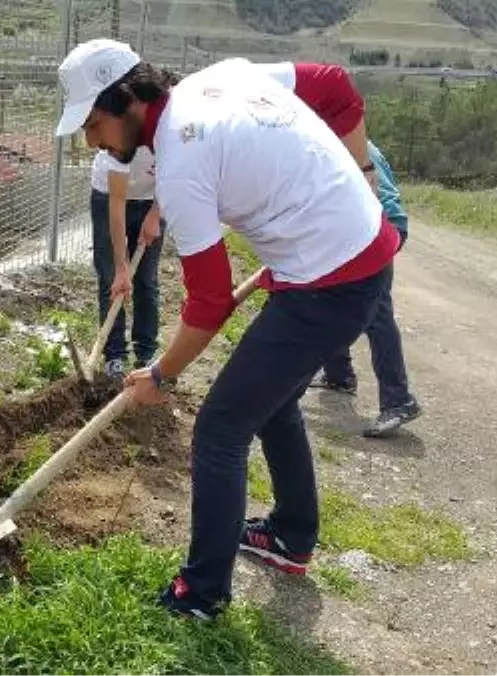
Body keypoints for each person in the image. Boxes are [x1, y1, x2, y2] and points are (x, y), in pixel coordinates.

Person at [55, 40, 400, 619]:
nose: (93, 142)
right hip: (344, 258)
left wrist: (161, 373)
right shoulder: (225, 75)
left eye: (93, 123)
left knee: (219, 430)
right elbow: (335, 84)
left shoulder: (181, 161)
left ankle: (202, 593)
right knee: (271, 403)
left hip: (330, 281)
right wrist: (359, 181)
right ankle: (291, 536)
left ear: (126, 99)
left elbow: (209, 302)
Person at [308, 139, 423, 437]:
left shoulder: (341, 140)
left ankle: (398, 401)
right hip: (361, 225)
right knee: (330, 292)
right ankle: (339, 375)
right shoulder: (349, 137)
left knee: (375, 313)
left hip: (375, 227)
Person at [90, 146, 165, 378]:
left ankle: (146, 353)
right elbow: (117, 204)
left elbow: (176, 172)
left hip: (152, 199)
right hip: (108, 197)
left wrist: (155, 215)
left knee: (146, 280)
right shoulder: (118, 141)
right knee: (111, 278)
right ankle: (114, 356)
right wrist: (121, 268)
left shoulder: (169, 127)